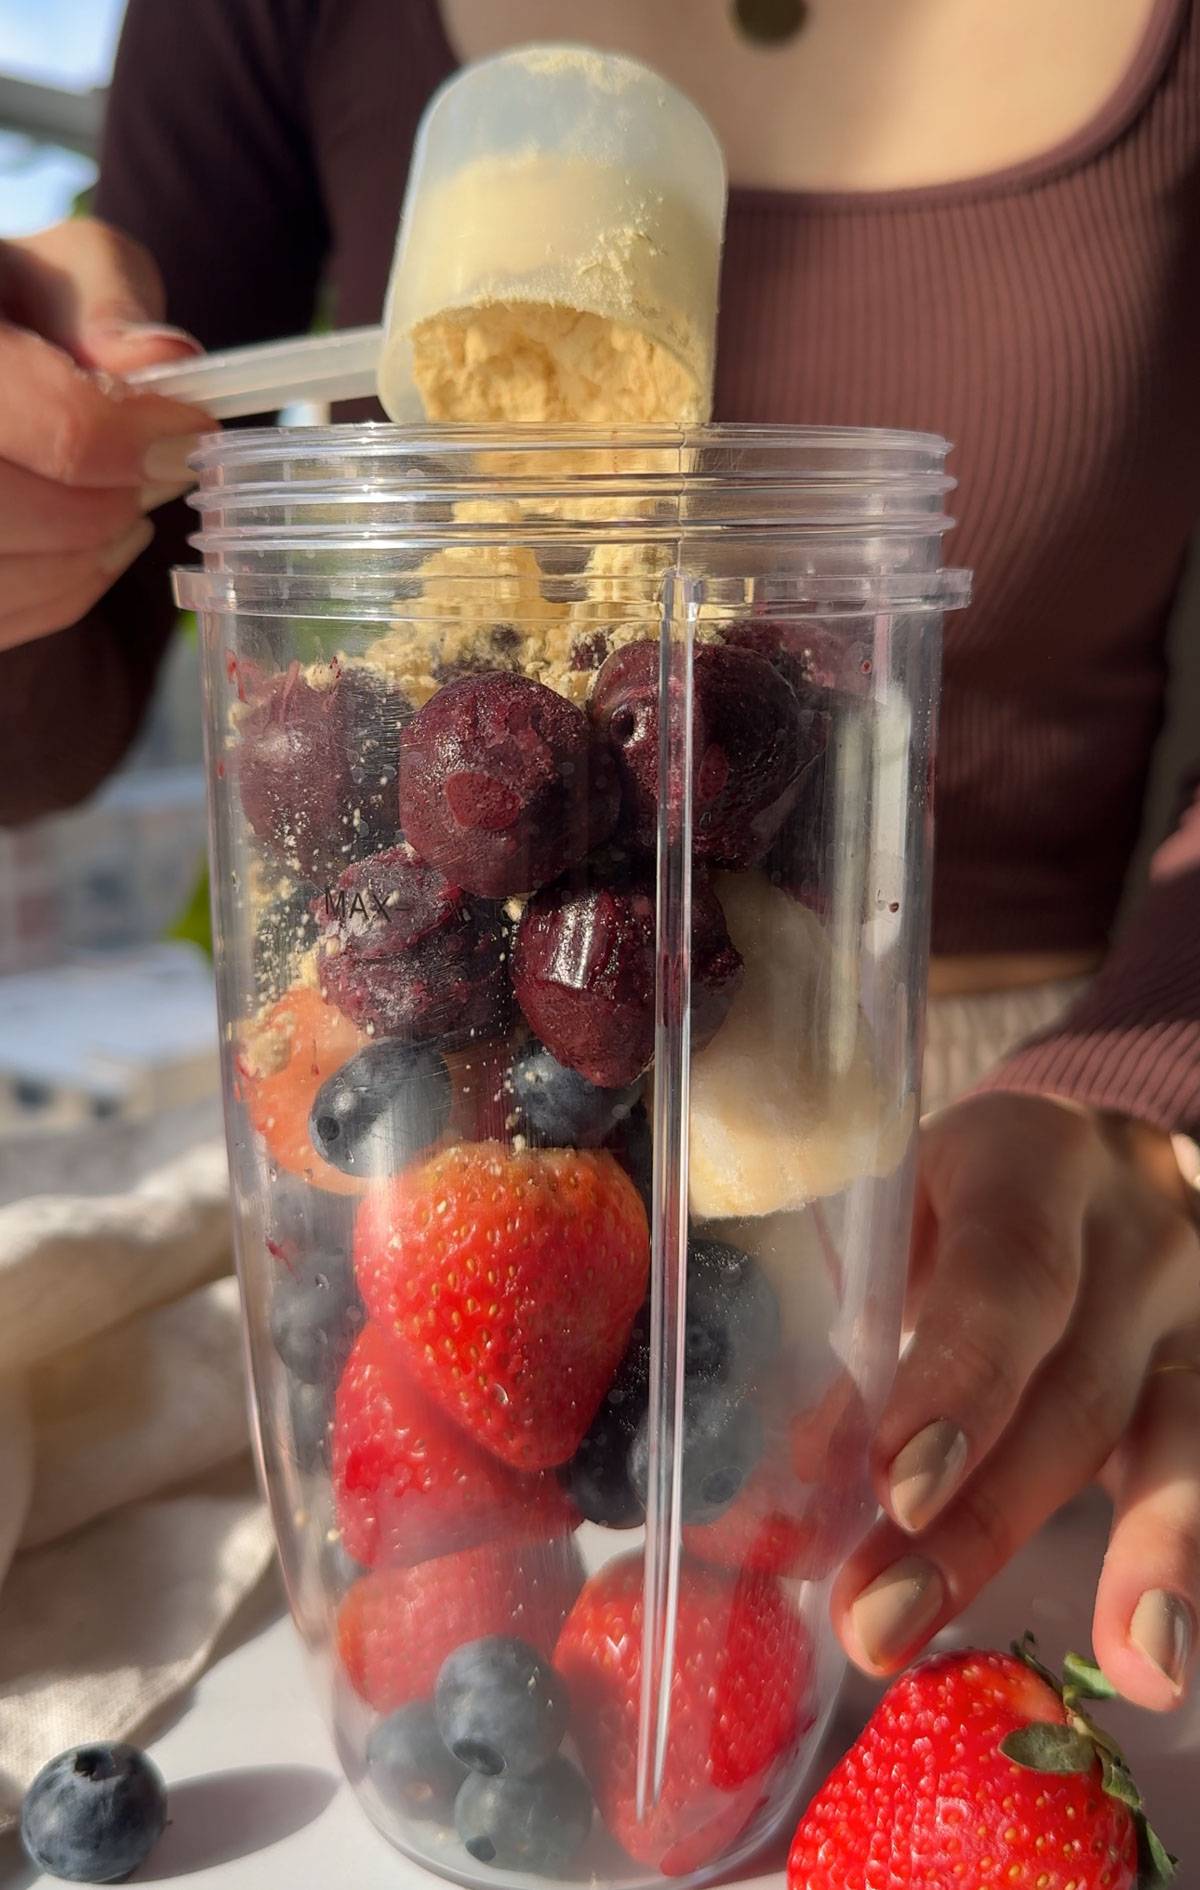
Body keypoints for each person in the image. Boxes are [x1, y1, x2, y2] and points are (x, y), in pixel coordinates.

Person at [0, 0, 1197, 1710]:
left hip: (1028, 1190)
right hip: (424, 1122)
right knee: (473, 1705)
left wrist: (1164, 1080)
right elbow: (55, 714)